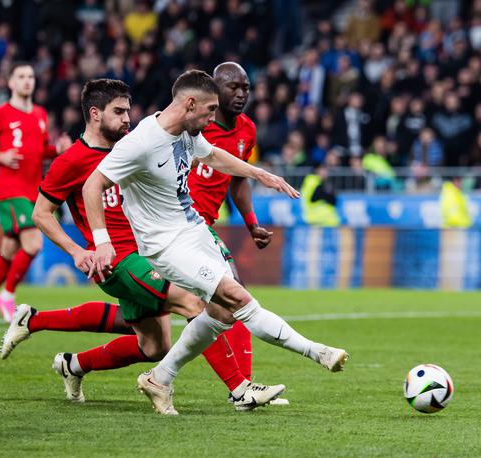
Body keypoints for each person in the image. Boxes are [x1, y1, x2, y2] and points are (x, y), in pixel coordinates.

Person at [0, 79, 285, 411]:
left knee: (154, 346)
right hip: (119, 259)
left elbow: (206, 155)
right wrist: (79, 250)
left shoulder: (138, 144)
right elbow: (42, 214)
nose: (127, 119)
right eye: (118, 112)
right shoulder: (73, 160)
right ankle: (240, 389)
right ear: (94, 114)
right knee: (196, 302)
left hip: (151, 250)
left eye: (128, 111)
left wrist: (257, 174)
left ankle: (67, 357)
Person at [84, 70, 348, 415]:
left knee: (221, 313)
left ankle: (160, 379)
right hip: (165, 245)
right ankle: (318, 352)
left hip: (194, 230)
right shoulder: (143, 141)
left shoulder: (187, 131)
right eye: (209, 111)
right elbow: (93, 184)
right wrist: (102, 240)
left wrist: (260, 174)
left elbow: (213, 156)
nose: (213, 118)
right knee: (237, 297)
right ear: (189, 104)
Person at [188, 62, 282, 402]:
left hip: (204, 226)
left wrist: (251, 222)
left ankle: (72, 362)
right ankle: (242, 388)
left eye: (246, 88)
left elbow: (238, 180)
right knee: (230, 296)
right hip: (180, 225)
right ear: (215, 90)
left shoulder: (247, 130)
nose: (242, 94)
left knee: (147, 336)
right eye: (234, 88)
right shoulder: (196, 125)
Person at [0, 61, 71, 327]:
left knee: (9, 251)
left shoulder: (39, 114)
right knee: (34, 243)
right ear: (10, 82)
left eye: (31, 76)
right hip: (11, 189)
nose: (27, 81)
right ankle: (8, 295)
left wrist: (57, 150)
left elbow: (40, 149)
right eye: (21, 76)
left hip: (32, 188)